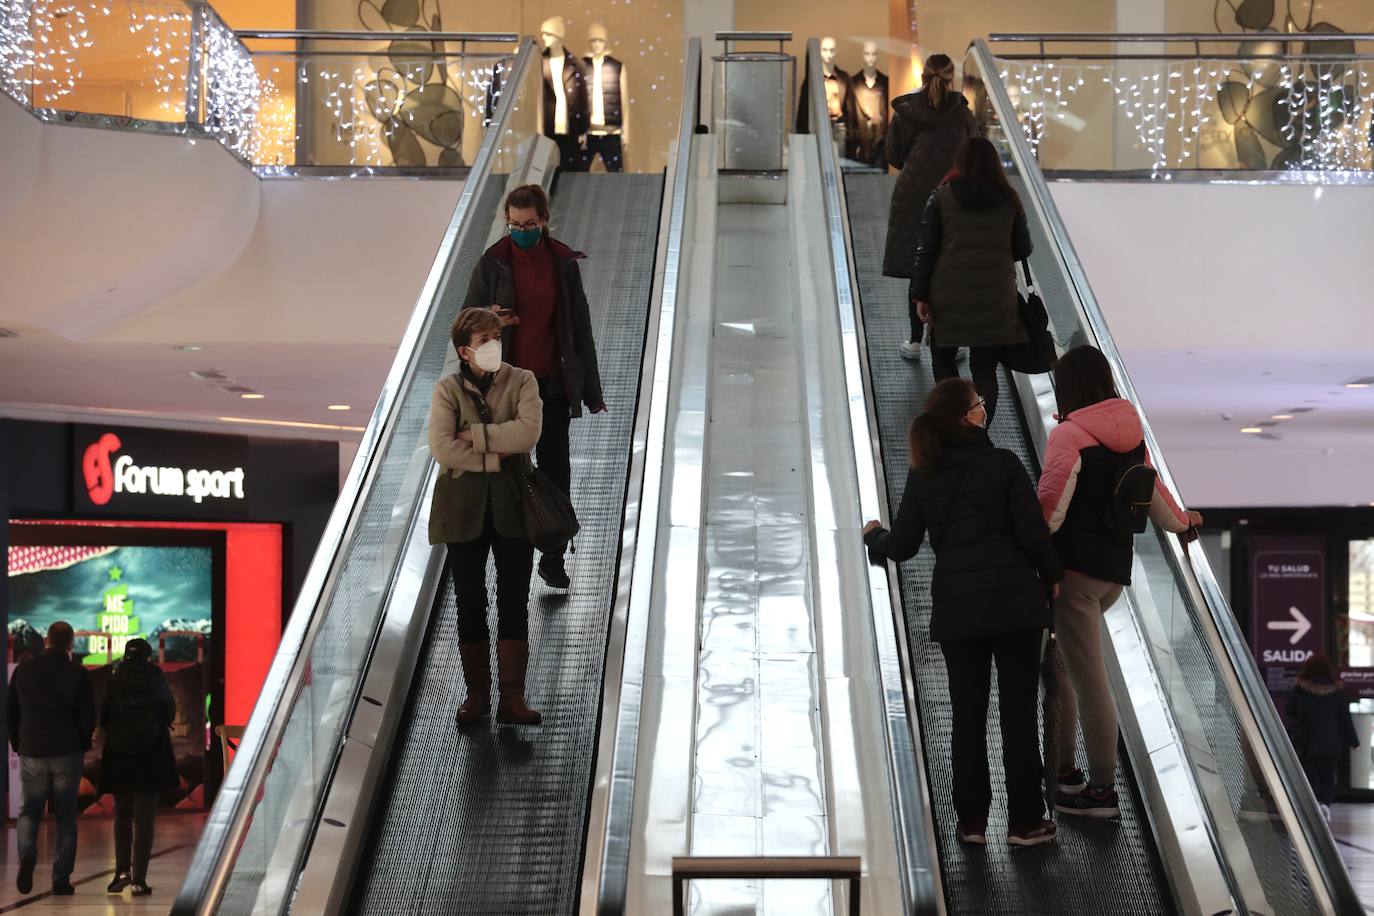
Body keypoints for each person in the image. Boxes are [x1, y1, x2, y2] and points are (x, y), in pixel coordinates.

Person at [864, 378, 1063, 847]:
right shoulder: (1004, 464)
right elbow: (1033, 533)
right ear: (966, 416)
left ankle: (972, 821)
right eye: (978, 404)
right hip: (1015, 607)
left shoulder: (924, 471)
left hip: (959, 611)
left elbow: (905, 544)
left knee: (967, 715)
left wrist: (874, 537)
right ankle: (1025, 822)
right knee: (1018, 714)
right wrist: (1052, 575)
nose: (983, 408)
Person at [1037, 345, 1201, 818]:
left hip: (1074, 576)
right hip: (1112, 573)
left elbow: (1051, 509)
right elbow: (1152, 490)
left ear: (1067, 387)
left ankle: (1102, 791)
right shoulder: (1130, 431)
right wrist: (1182, 521)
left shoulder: (1068, 435)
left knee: (1088, 682)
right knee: (1066, 666)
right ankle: (1065, 772)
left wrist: (1021, 540)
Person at [462, 183, 606, 590]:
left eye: (528, 224)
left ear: (544, 220)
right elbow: (463, 323)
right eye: (513, 225)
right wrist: (489, 319)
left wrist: (591, 392)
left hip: (552, 384)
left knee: (556, 465)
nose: (520, 231)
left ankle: (554, 553)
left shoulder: (562, 263)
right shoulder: (492, 263)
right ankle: (516, 552)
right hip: (505, 387)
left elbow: (579, 329)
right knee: (510, 469)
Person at [429, 307, 544, 726]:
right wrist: (499, 452)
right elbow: (442, 447)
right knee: (469, 601)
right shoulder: (447, 390)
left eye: (497, 335)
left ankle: (512, 698)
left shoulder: (523, 380)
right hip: (463, 510)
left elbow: (528, 432)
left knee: (514, 599)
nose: (494, 344)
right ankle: (476, 695)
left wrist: (474, 438)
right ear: (465, 350)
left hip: (514, 506)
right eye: (484, 340)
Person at [910, 136, 1032, 424]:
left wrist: (920, 295)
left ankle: (951, 425)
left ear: (959, 161)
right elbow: (1023, 248)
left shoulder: (942, 196)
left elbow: (925, 250)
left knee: (943, 359)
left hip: (948, 296)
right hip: (996, 299)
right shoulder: (1009, 200)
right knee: (985, 367)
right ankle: (979, 429)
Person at [882, 53, 975, 360]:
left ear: (923, 77)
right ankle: (954, 338)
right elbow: (974, 150)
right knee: (951, 266)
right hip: (952, 193)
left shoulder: (907, 111)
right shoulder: (962, 115)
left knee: (916, 265)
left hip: (913, 195)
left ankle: (913, 340)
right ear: (952, 79)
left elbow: (894, 155)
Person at [7, 621, 96, 896]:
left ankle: (26, 855)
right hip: (67, 752)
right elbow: (87, 715)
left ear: (46, 641)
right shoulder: (77, 674)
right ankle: (60, 879)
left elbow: (11, 710)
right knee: (66, 816)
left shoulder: (24, 670)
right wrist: (82, 742)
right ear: (70, 643)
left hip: (33, 750)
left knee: (29, 810)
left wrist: (19, 744)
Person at [99, 638, 177, 897]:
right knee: (144, 819)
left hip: (119, 756)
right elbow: (169, 709)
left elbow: (103, 714)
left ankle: (121, 872)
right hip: (151, 755)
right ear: (148, 655)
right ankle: (139, 880)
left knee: (122, 815)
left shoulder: (116, 677)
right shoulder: (156, 676)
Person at [1287, 654, 1358, 822]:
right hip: (1331, 744)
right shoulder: (1337, 691)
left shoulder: (1301, 689)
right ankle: (1325, 805)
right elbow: (1344, 718)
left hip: (1308, 743)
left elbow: (1289, 710)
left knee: (1310, 777)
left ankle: (1313, 807)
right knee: (1328, 777)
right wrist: (1354, 741)